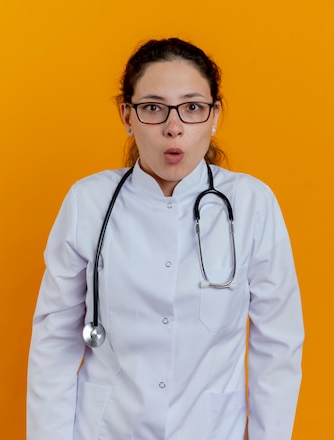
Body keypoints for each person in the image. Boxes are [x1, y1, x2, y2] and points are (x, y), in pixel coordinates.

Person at [27, 37, 304, 440]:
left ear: (214, 115)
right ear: (127, 114)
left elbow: (279, 344)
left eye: (192, 107)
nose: (173, 128)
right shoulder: (89, 202)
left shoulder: (251, 204)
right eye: (153, 108)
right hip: (105, 430)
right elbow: (52, 345)